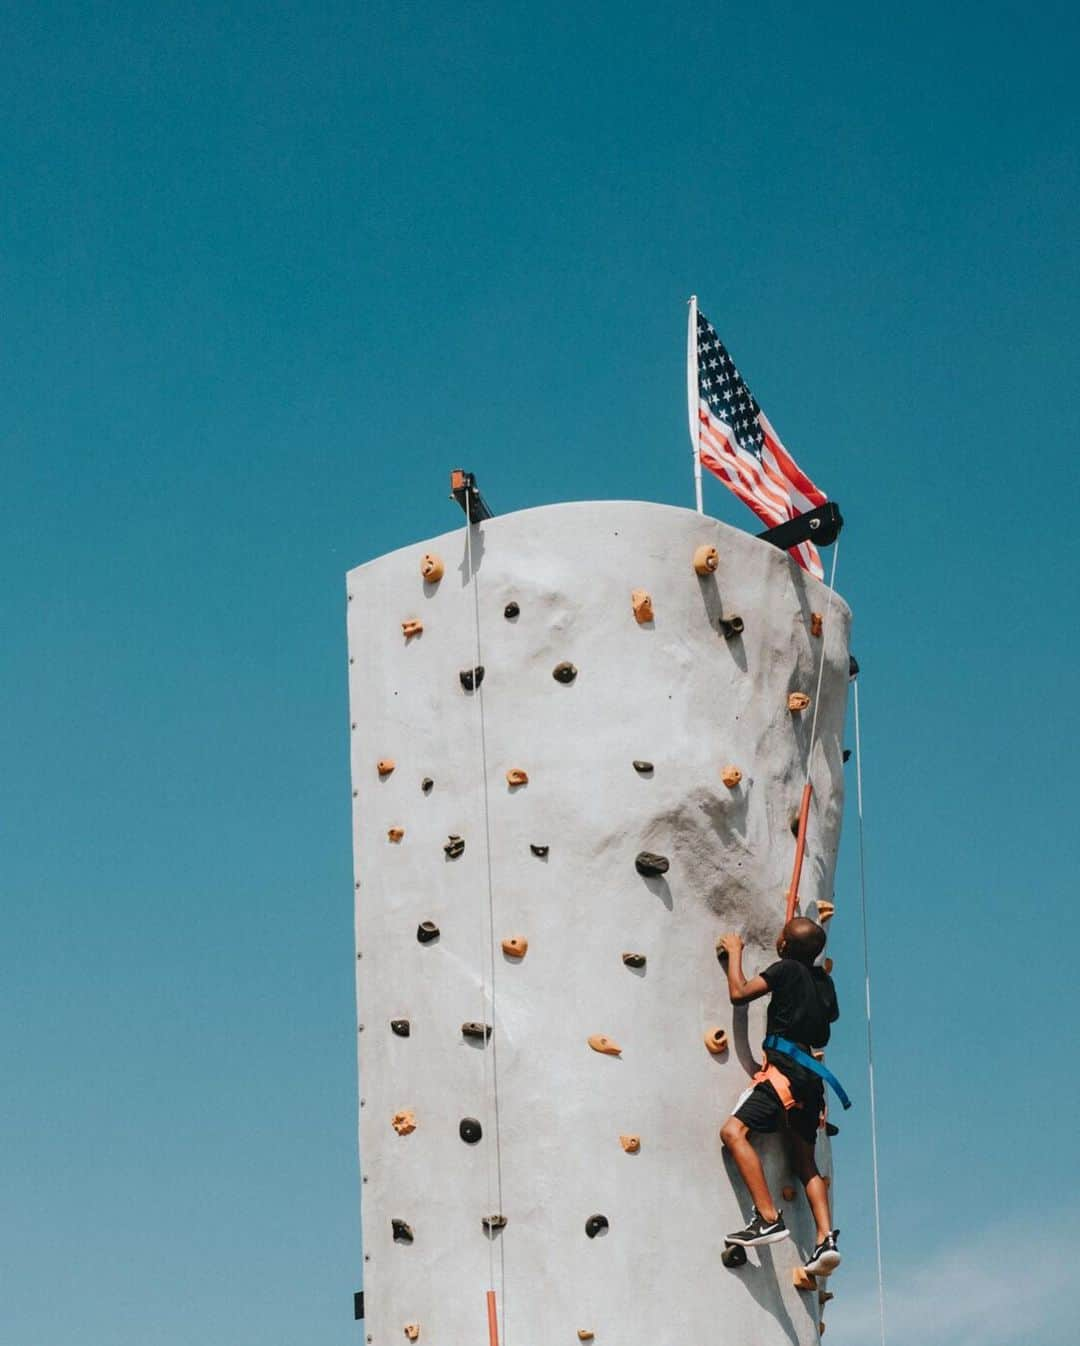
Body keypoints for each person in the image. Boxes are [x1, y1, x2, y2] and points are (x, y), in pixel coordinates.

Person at [717, 917, 842, 1275]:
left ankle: (768, 1217)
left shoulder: (785, 969)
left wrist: (735, 954)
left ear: (784, 945)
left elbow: (740, 993)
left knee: (733, 1133)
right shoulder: (824, 983)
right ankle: (825, 1239)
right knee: (805, 1162)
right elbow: (828, 1018)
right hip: (811, 1082)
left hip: (783, 1071)